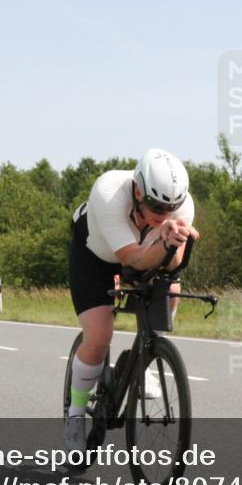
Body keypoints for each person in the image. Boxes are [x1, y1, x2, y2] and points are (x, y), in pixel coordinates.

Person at [65, 148, 200, 454]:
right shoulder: (109, 191)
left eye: (170, 208)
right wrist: (162, 242)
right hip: (96, 255)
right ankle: (75, 415)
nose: (162, 214)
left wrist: (171, 245)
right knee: (99, 336)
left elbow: (171, 264)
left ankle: (148, 355)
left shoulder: (182, 208)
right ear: (138, 190)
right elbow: (133, 259)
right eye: (154, 205)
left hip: (144, 252)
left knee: (171, 289)